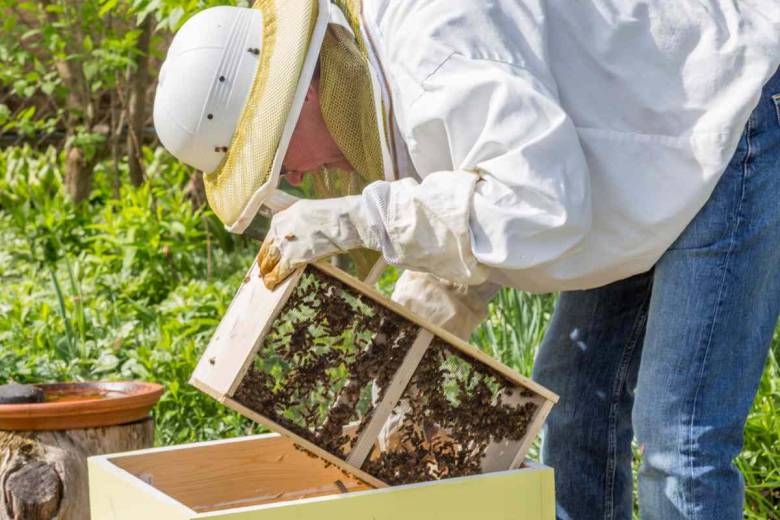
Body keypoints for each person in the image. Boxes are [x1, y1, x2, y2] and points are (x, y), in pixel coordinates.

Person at [153, 1, 780, 518]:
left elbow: (541, 208)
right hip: (637, 164)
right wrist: (416, 325)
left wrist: (361, 218)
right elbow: (467, 186)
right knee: (578, 396)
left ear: (298, 97)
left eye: (275, 157)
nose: (291, 172)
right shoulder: (383, 69)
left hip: (723, 121)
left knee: (679, 434)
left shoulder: (435, 51)